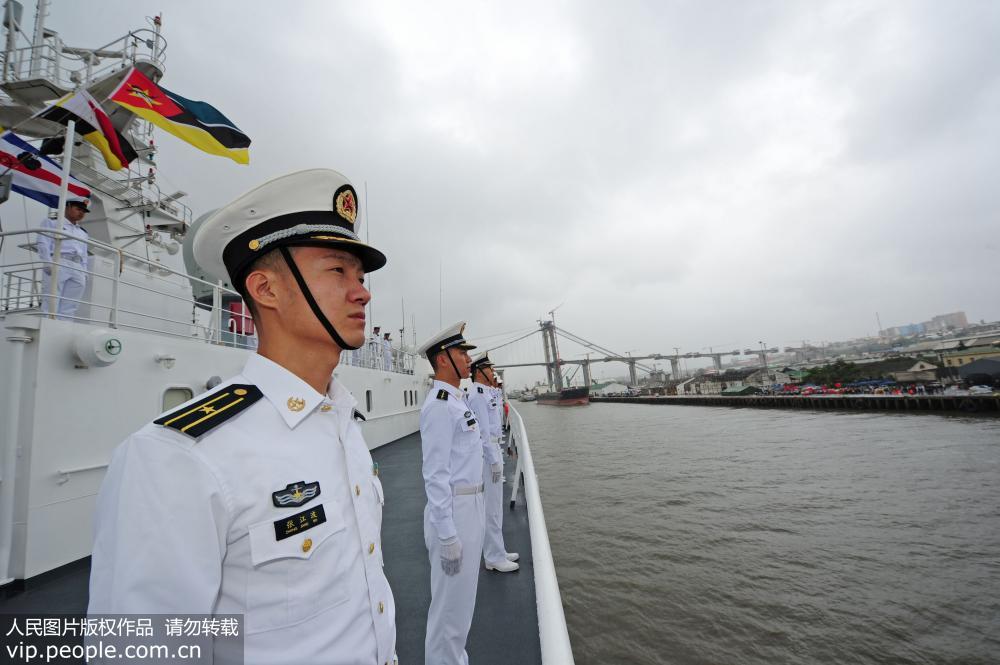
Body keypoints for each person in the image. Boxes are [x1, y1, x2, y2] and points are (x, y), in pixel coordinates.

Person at [88, 169, 397, 665]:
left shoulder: (342, 422)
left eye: (361, 277)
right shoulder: (180, 457)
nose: (362, 292)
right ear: (266, 290)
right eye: (338, 272)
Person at [417, 322, 484, 665]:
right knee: (448, 610)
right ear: (443, 359)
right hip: (455, 512)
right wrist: (446, 534)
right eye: (462, 352)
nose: (468, 358)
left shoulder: (456, 401)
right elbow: (435, 475)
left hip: (471, 505)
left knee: (462, 605)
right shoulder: (440, 405)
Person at [469, 352, 518, 573]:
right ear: (480, 372)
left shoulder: (486, 393)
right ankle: (493, 556)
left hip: (494, 451)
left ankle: (498, 549)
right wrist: (492, 460)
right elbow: (483, 432)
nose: (492, 372)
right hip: (488, 456)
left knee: (496, 507)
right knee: (491, 508)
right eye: (489, 368)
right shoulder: (477, 395)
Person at [37, 195, 90, 320]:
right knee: (52, 299)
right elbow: (43, 243)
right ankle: (49, 328)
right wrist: (47, 262)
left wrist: (84, 271)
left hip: (78, 267)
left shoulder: (83, 232)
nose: (81, 213)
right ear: (68, 207)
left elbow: (84, 253)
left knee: (71, 304)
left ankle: (63, 329)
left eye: (83, 211)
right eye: (78, 209)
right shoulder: (52, 223)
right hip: (59, 261)